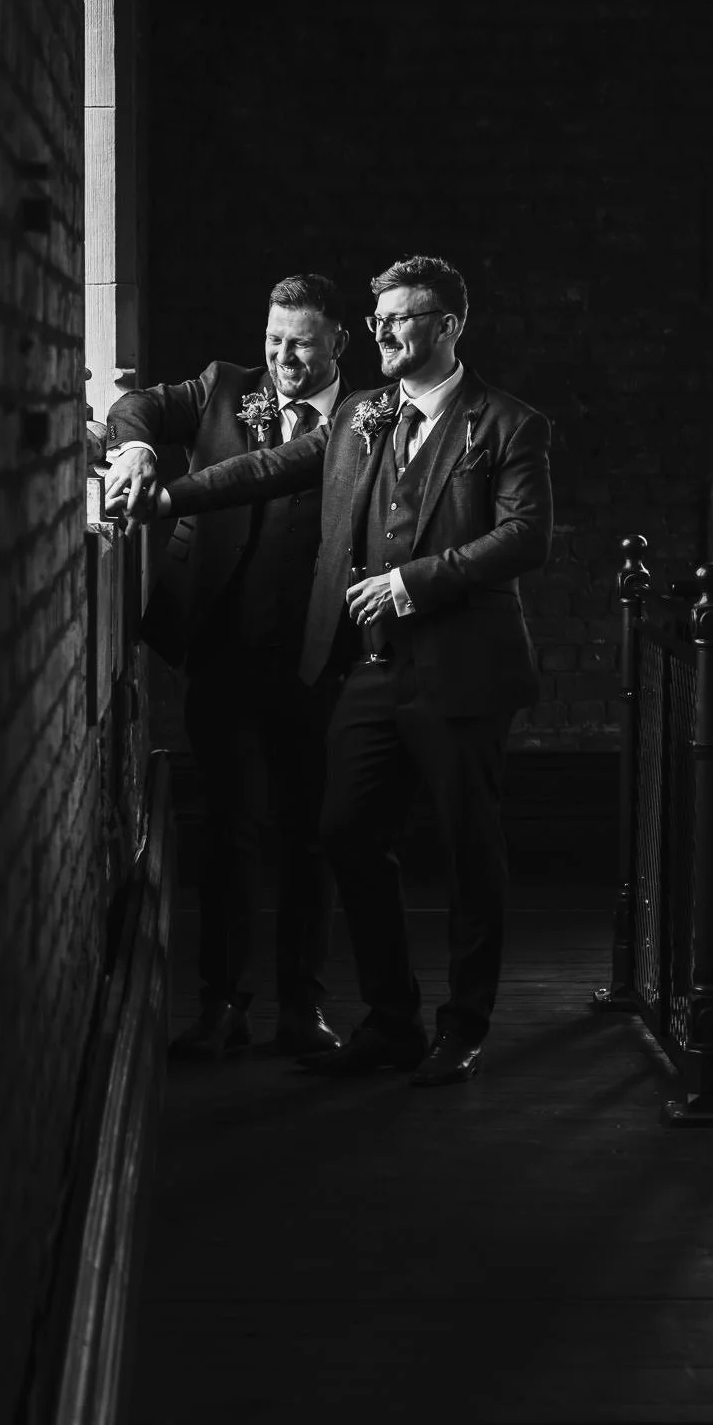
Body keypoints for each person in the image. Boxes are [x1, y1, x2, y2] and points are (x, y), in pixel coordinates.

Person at [109, 254, 552, 1088]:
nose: (385, 330)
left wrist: (410, 582)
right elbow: (271, 467)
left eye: (401, 318)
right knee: (344, 835)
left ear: (448, 326)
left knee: (467, 855)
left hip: (461, 671)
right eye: (379, 316)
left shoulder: (506, 424)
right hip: (371, 671)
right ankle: (390, 1022)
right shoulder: (360, 415)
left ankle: (463, 1026)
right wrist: (168, 497)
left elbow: (527, 538)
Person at [105, 273, 353, 1060]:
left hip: (318, 660)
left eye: (302, 342)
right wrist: (140, 447)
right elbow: (131, 406)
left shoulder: (365, 416)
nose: (283, 356)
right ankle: (220, 1004)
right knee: (227, 832)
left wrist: (174, 495)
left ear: (338, 342)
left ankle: (302, 1009)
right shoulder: (223, 389)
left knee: (309, 835)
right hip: (219, 654)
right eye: (274, 339)